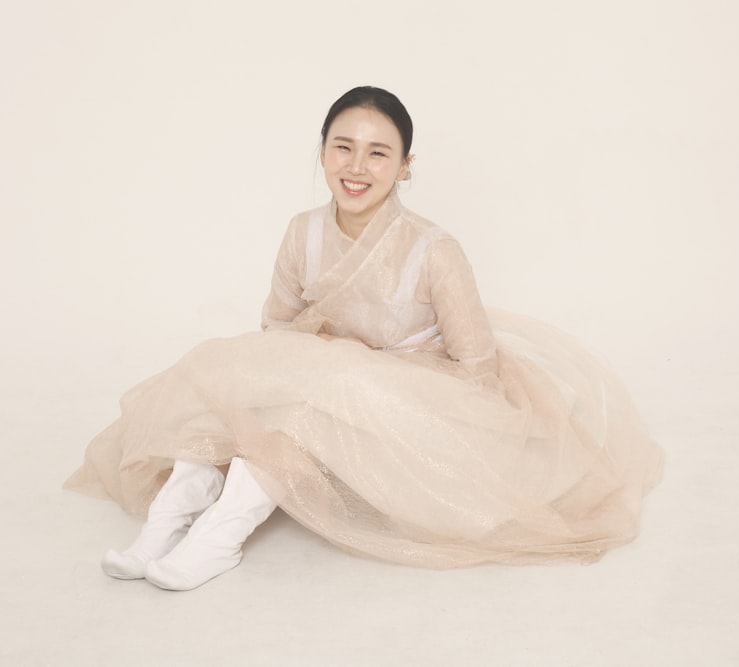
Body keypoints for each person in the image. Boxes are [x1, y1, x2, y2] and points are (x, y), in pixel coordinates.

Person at [65, 86, 664, 591]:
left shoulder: (435, 251)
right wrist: (307, 375)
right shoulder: (302, 232)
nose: (357, 167)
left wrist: (360, 384)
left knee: (315, 400)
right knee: (220, 370)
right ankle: (167, 523)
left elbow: (477, 369)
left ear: (405, 165)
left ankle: (218, 538)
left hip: (422, 399)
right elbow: (276, 328)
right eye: (342, 148)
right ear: (321, 153)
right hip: (325, 380)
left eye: (379, 154)